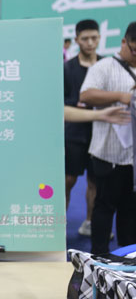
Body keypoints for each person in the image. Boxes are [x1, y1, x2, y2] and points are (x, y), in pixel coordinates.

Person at [80, 21, 136, 255]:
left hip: (133, 158)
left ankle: (129, 255)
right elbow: (86, 95)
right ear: (124, 42)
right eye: (134, 50)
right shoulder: (104, 67)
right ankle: (99, 256)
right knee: (104, 206)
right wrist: (121, 96)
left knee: (131, 209)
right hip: (108, 153)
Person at [64, 19, 102, 237]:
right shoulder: (67, 68)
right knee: (68, 181)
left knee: (95, 181)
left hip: (101, 133)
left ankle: (90, 223)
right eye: (85, 38)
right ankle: (59, 225)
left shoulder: (106, 65)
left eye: (94, 38)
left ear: (99, 38)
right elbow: (61, 101)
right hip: (74, 134)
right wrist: (76, 105)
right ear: (77, 40)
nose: (90, 42)